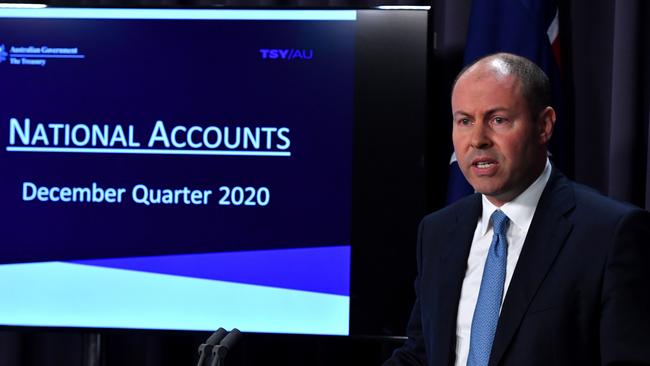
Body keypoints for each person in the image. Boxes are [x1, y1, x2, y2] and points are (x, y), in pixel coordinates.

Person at [384, 53, 650, 366]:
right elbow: (420, 353)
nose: (478, 140)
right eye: (465, 121)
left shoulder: (610, 234)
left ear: (544, 126)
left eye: (498, 120)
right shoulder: (437, 231)